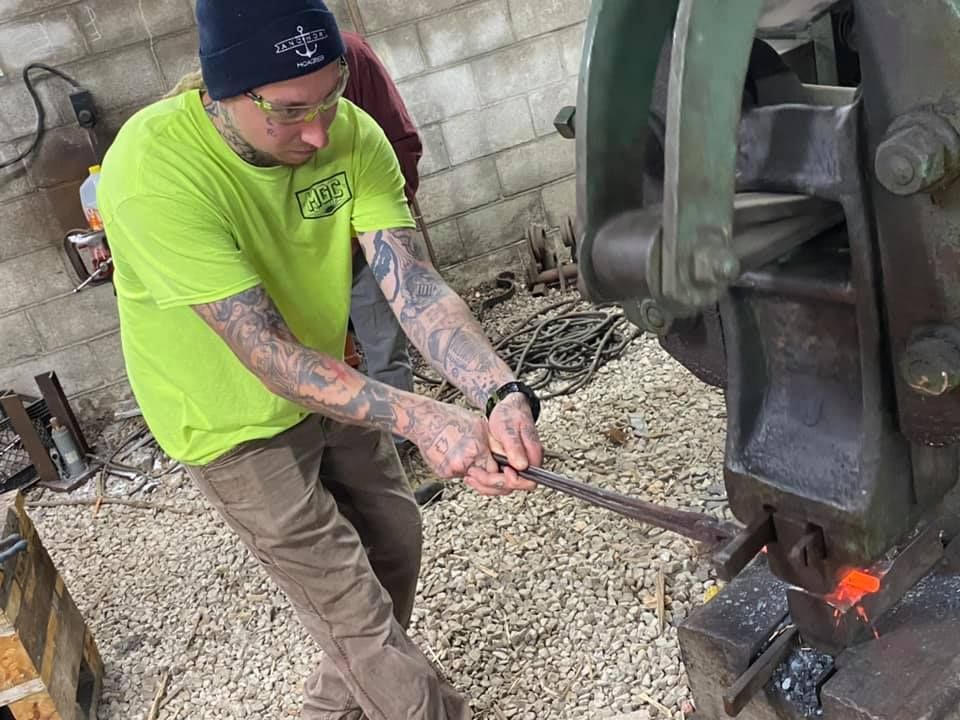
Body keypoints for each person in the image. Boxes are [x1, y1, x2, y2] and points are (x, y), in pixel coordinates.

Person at [97, 1, 544, 719]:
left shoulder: (349, 133)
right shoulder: (153, 169)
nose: (319, 130)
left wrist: (499, 391)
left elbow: (416, 285)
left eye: (333, 95)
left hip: (334, 380)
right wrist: (424, 419)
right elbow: (267, 353)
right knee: (356, 617)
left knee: (396, 544)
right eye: (288, 112)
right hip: (230, 421)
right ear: (221, 93)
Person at [341, 31, 422, 428]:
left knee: (383, 346)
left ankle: (398, 442)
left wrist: (376, 232)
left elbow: (399, 138)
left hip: (361, 241)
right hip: (292, 254)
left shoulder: (351, 54)